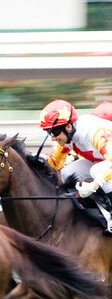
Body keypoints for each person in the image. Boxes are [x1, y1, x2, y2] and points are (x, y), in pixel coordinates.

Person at [40, 99, 112, 232]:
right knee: (67, 173)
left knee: (97, 171)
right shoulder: (69, 135)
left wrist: (95, 185)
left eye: (54, 132)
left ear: (68, 127)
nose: (52, 138)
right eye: (49, 132)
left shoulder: (94, 132)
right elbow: (54, 162)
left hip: (108, 162)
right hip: (104, 161)